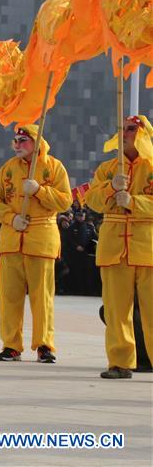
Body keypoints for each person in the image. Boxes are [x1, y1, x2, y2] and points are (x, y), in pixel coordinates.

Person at [0, 124, 71, 363]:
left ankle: (44, 345)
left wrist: (40, 191)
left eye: (23, 140)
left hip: (41, 239)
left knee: (41, 298)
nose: (17, 144)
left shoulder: (54, 167)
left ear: (36, 142)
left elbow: (65, 200)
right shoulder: (7, 169)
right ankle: (11, 345)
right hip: (13, 239)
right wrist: (11, 218)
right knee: (10, 297)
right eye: (15, 140)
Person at [85, 115, 153, 379]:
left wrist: (134, 202)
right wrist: (111, 189)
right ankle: (120, 362)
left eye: (131, 129)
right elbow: (92, 200)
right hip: (114, 246)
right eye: (122, 129)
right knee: (116, 310)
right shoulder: (109, 168)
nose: (124, 133)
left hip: (147, 245)